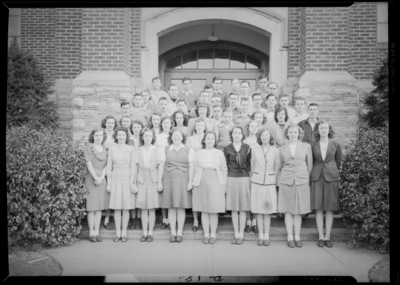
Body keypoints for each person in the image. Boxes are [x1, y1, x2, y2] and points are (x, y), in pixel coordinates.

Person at [278, 123, 313, 248]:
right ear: (287, 133)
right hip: (286, 180)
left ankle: (297, 236)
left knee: (298, 210)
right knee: (288, 210)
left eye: (295, 132)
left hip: (301, 180)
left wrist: (307, 180)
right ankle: (290, 237)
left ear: (299, 134)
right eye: (291, 132)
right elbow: (279, 166)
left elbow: (310, 165)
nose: (293, 134)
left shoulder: (306, 147)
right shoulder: (282, 149)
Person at [158, 129, 195, 243]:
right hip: (168, 179)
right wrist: (159, 181)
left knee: (180, 207)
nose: (176, 138)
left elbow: (192, 166)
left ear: (182, 137)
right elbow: (161, 166)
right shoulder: (166, 149)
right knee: (171, 207)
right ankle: (173, 232)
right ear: (171, 137)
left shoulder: (189, 149)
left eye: (178, 136)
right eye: (174, 136)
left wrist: (190, 181)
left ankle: (179, 233)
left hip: (183, 180)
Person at [310, 121, 342, 248]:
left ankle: (327, 236)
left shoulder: (335, 144)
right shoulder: (313, 145)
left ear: (329, 130)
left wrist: (334, 171)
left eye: (326, 128)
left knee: (329, 208)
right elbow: (311, 161)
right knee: (318, 208)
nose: (323, 130)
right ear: (318, 130)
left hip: (331, 177)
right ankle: (320, 236)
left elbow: (339, 161)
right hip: (317, 177)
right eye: (321, 128)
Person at [192, 131, 228, 244]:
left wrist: (224, 184)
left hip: (216, 180)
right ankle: (206, 234)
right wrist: (193, 182)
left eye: (212, 138)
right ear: (204, 140)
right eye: (208, 138)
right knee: (204, 209)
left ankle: (213, 234)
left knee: (213, 209)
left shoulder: (219, 153)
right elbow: (195, 168)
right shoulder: (199, 153)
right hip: (201, 180)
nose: (210, 140)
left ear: (215, 140)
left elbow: (224, 169)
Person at [251, 127, 280, 246]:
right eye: (262, 135)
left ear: (270, 137)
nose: (264, 137)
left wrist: (272, 177)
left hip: (269, 182)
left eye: (266, 135)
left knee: (267, 211)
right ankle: (260, 235)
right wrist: (255, 176)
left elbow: (277, 166)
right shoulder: (255, 149)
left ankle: (266, 235)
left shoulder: (275, 150)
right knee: (258, 210)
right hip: (257, 182)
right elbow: (252, 166)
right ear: (259, 137)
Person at [106, 127, 137, 242]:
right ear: (116, 136)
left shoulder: (131, 148)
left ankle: (124, 233)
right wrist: (109, 183)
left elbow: (133, 166)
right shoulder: (112, 148)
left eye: (123, 135)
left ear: (126, 136)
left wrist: (131, 181)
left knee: (126, 208)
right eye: (119, 135)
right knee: (117, 208)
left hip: (127, 178)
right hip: (115, 179)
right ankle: (117, 233)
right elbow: (109, 166)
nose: (121, 137)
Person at [224, 126, 252, 245]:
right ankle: (236, 233)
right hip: (231, 178)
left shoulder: (247, 148)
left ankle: (241, 233)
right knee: (234, 208)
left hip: (244, 178)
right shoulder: (226, 148)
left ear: (242, 135)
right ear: (232, 135)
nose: (237, 135)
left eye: (239, 133)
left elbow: (250, 164)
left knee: (243, 207)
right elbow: (225, 165)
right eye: (235, 133)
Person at [135, 128, 164, 242]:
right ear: (143, 137)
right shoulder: (138, 150)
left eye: (150, 136)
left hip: (153, 178)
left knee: (151, 208)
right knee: (143, 208)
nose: (148, 138)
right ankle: (144, 232)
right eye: (146, 136)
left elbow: (160, 166)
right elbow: (136, 167)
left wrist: (159, 182)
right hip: (141, 179)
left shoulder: (157, 150)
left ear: (152, 137)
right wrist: (134, 182)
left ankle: (150, 233)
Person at [84, 128, 108, 242]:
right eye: (97, 135)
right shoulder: (88, 147)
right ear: (93, 136)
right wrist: (96, 178)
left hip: (101, 180)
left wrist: (102, 178)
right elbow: (88, 164)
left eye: (101, 135)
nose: (99, 137)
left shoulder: (105, 149)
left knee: (99, 208)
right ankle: (91, 233)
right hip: (91, 178)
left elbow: (106, 166)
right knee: (91, 208)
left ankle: (97, 232)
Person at [186, 117, 208, 232]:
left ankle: (204, 218)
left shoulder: (208, 137)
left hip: (205, 167)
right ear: (195, 127)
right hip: (194, 166)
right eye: (197, 125)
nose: (199, 127)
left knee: (204, 192)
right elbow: (188, 152)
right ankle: (195, 220)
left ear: (204, 127)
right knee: (195, 193)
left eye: (201, 125)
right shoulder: (190, 139)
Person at [100, 115, 118, 230]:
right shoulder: (102, 135)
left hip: (114, 166)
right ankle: (101, 217)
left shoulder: (116, 135)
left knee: (111, 192)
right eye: (108, 122)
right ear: (105, 123)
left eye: (112, 123)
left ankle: (107, 219)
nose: (110, 124)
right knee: (104, 191)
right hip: (103, 165)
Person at [243, 120, 260, 233]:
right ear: (248, 128)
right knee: (248, 196)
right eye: (251, 126)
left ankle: (255, 222)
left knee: (256, 197)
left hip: (258, 171)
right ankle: (248, 221)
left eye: (256, 126)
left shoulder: (261, 140)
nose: (254, 128)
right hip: (248, 171)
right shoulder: (245, 141)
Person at [128, 119, 145, 230]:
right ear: (131, 129)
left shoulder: (144, 139)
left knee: (140, 194)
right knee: (132, 193)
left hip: (142, 167)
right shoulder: (129, 140)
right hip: (131, 166)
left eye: (139, 127)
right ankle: (133, 219)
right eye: (134, 127)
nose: (137, 129)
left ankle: (139, 220)